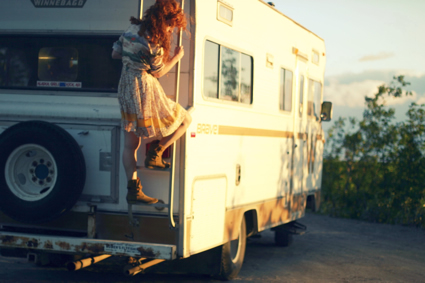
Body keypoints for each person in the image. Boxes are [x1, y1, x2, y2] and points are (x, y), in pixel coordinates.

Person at [111, 0, 192, 205]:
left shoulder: (132, 28)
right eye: (171, 25)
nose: (170, 30)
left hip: (125, 85)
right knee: (185, 119)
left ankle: (133, 190)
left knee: (131, 144)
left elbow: (115, 53)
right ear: (164, 20)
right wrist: (176, 57)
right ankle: (156, 153)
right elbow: (158, 72)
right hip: (144, 87)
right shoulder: (154, 41)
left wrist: (133, 57)